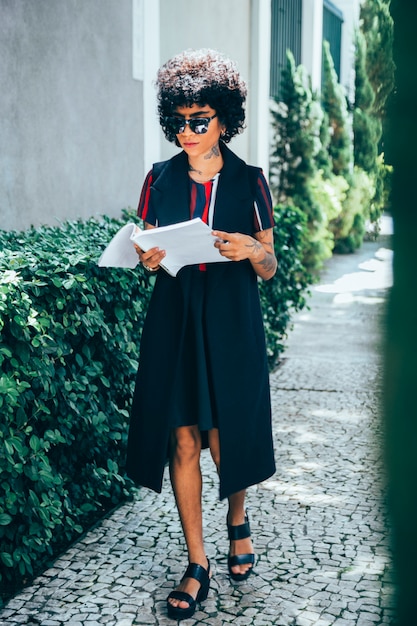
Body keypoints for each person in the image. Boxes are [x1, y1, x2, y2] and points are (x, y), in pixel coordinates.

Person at [126, 48, 277, 621]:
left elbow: (271, 265)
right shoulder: (158, 179)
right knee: (183, 439)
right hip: (176, 318)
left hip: (231, 318)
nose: (187, 132)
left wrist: (254, 251)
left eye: (200, 120)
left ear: (224, 118)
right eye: (180, 120)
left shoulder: (250, 181)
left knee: (225, 437)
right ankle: (198, 562)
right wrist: (148, 258)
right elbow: (145, 244)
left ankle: (237, 516)